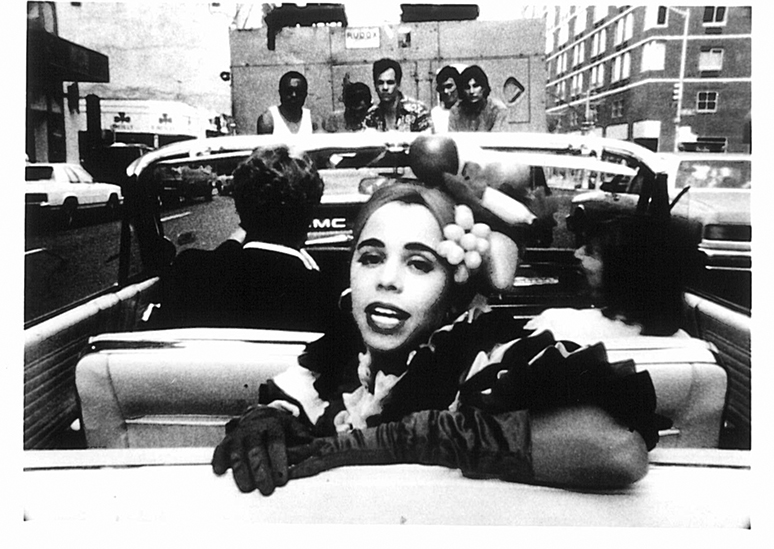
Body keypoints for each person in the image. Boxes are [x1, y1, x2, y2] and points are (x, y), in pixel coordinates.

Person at [212, 179, 667, 496]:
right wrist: (265, 416)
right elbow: (293, 399)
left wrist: (398, 440)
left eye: (419, 264)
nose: (387, 280)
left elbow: (618, 450)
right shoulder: (341, 355)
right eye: (371, 258)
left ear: (454, 295)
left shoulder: (485, 354)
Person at [151, 144, 331, 331]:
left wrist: (237, 236)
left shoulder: (189, 272)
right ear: (311, 214)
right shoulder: (322, 293)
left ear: (239, 207)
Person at [528, 211, 696, 342]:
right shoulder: (690, 347)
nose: (577, 253)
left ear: (620, 273)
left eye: (591, 252)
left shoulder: (555, 326)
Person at [364, 58, 432, 132]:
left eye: (390, 82)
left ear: (398, 84)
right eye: (380, 83)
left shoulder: (418, 112)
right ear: (375, 85)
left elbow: (427, 141)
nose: (385, 88)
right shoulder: (371, 115)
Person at [448, 65, 508, 132]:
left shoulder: (497, 110)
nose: (471, 91)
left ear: (483, 88)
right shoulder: (456, 111)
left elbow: (497, 140)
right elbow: (453, 139)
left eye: (475, 86)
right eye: (467, 87)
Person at [431, 65, 462, 134]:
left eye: (449, 86)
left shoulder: (466, 111)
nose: (445, 91)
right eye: (442, 88)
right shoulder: (435, 113)